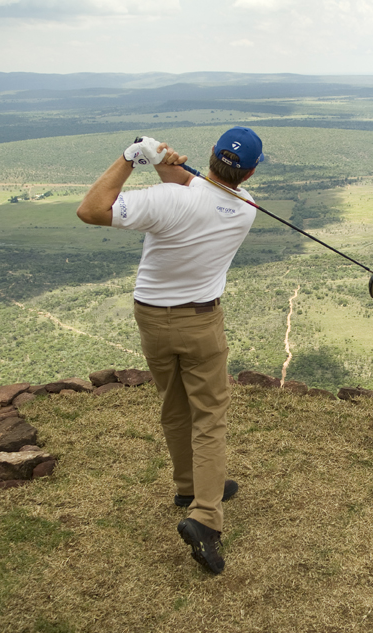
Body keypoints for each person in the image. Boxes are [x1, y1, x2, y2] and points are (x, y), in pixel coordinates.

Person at [76, 127, 264, 574]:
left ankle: (188, 487)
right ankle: (204, 516)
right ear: (251, 171)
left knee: (175, 405)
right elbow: (194, 188)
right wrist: (162, 161)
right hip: (200, 322)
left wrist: (132, 156)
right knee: (210, 418)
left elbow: (91, 210)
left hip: (152, 320)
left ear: (211, 156)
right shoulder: (246, 208)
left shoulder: (167, 200)